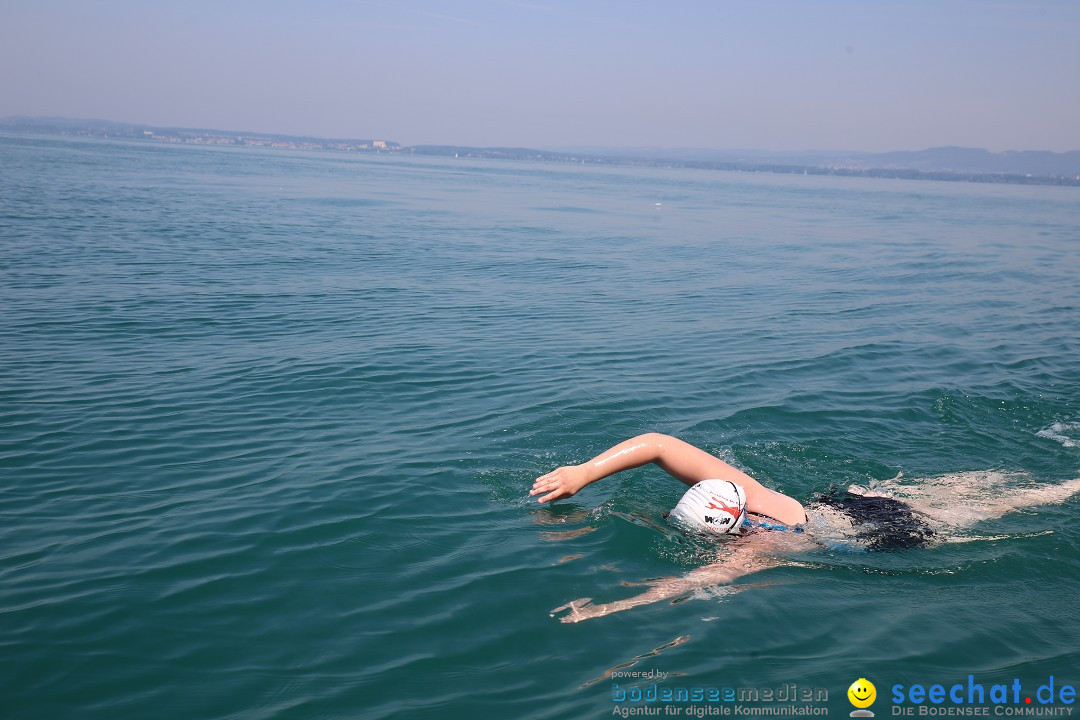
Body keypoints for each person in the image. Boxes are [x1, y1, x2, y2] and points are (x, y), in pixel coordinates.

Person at [531, 433, 1080, 622]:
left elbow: (686, 585)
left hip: (879, 533)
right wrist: (583, 472)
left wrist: (607, 607)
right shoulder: (760, 499)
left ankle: (1069, 487)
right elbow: (661, 445)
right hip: (854, 504)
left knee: (988, 511)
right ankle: (1065, 481)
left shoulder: (755, 549)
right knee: (977, 493)